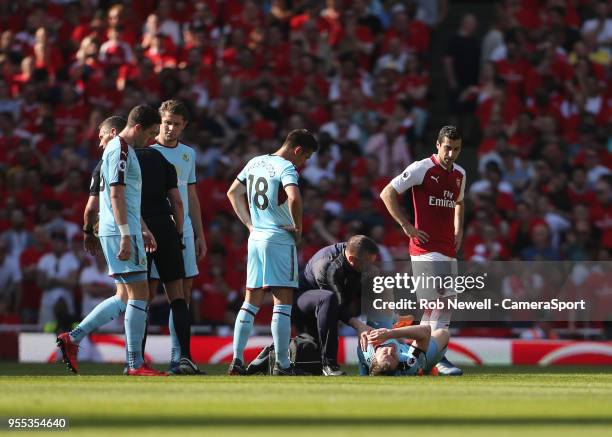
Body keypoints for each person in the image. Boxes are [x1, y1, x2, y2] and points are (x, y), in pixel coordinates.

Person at [57, 105, 163, 376]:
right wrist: (128, 234)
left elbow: (122, 199)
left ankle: (74, 337)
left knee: (124, 296)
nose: (150, 140)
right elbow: (115, 196)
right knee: (140, 294)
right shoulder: (121, 150)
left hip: (115, 228)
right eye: (150, 133)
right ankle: (134, 364)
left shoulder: (115, 151)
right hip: (119, 231)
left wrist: (142, 228)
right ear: (137, 127)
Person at [226, 129, 318, 376]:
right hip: (279, 238)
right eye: (305, 157)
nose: (303, 163)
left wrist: (248, 224)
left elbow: (233, 192)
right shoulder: (286, 168)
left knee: (250, 300)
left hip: (255, 238)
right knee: (283, 302)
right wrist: (298, 228)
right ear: (297, 150)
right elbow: (294, 197)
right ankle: (282, 364)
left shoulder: (255, 162)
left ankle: (236, 360)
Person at [379, 125, 466, 376]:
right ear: (438, 145)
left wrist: (458, 230)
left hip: (447, 247)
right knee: (438, 301)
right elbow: (387, 193)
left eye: (456, 149)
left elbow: (460, 202)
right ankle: (437, 358)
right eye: (447, 148)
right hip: (424, 247)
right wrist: (406, 226)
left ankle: (420, 358)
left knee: (442, 306)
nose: (451, 154)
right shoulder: (422, 168)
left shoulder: (460, 173)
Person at [134, 125, 201, 375]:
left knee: (141, 296)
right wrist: (180, 231)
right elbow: (178, 202)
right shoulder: (161, 160)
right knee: (178, 294)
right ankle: (183, 358)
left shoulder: (127, 158)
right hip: (168, 228)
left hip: (141, 229)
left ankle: (136, 361)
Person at [150, 100, 207, 372]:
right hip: (154, 230)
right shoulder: (147, 151)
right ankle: (136, 359)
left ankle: (179, 359)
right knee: (146, 294)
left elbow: (192, 196)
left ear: (184, 126)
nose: (170, 128)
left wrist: (199, 234)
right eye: (166, 123)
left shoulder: (188, 154)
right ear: (159, 123)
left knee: (183, 294)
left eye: (176, 124)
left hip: (183, 234)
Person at [293, 236, 377, 376]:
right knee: (328, 297)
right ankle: (329, 365)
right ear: (352, 260)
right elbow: (335, 304)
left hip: (327, 307)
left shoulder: (357, 256)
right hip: (303, 302)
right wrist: (358, 325)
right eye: (368, 264)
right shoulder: (327, 264)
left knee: (310, 361)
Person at [358, 323, 450, 376]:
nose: (390, 350)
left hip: (399, 342)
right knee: (443, 333)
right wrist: (391, 333)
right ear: (398, 364)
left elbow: (358, 325)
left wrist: (364, 331)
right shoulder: (408, 364)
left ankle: (397, 324)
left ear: (374, 358)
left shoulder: (366, 349)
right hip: (414, 354)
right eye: (394, 356)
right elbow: (426, 330)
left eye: (385, 353)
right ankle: (432, 367)